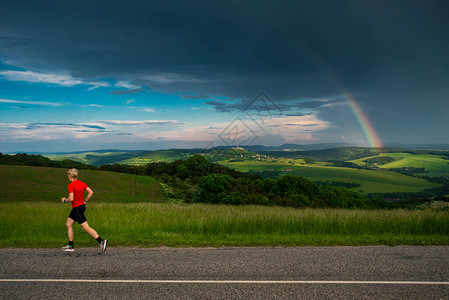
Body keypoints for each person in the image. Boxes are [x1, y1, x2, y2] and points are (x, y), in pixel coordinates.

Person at [61, 168, 107, 253]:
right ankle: (70, 246)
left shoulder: (71, 185)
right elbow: (91, 192)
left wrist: (64, 200)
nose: (68, 177)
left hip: (77, 208)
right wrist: (85, 201)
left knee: (86, 227)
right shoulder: (82, 183)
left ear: (71, 176)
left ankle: (101, 241)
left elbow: (71, 198)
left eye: (68, 176)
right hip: (81, 206)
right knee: (68, 223)